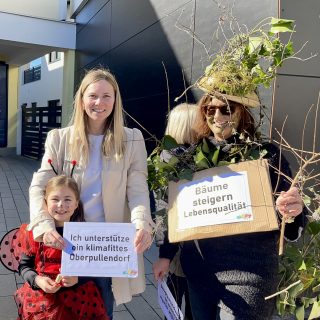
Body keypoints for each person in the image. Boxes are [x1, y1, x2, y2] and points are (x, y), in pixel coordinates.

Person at [152, 91, 305, 320]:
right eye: (209, 109)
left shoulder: (266, 156)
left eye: (225, 109)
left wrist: (293, 210)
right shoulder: (191, 159)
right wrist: (166, 254)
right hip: (200, 274)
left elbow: (289, 222)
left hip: (250, 277)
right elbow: (173, 210)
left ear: (240, 111)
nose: (217, 115)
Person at [27, 68, 154, 319]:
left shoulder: (132, 139)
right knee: (62, 310)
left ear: (115, 100)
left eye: (107, 96)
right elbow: (40, 186)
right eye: (93, 95)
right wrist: (44, 225)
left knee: (102, 308)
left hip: (106, 245)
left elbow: (138, 188)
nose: (99, 102)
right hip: (68, 243)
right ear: (82, 99)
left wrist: (143, 224)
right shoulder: (60, 138)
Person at [15, 175, 109, 320]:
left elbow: (94, 267)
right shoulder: (36, 232)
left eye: (67, 199)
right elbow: (24, 266)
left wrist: (78, 278)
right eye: (55, 199)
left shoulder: (86, 234)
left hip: (79, 301)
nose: (61, 205)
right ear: (45, 202)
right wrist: (37, 280)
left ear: (76, 204)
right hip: (42, 300)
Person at [152, 103, 197, 320]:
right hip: (189, 247)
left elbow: (161, 211)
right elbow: (163, 210)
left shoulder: (166, 159)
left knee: (174, 305)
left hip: (177, 245)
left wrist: (163, 254)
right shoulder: (194, 158)